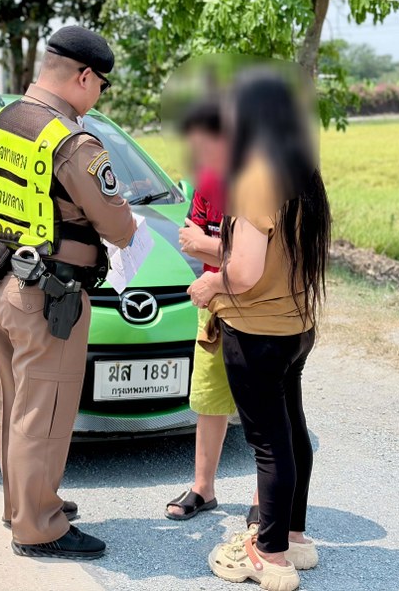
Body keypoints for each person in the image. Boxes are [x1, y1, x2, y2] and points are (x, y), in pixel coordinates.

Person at [0, 25, 136, 560]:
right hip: (47, 297)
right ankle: (39, 527)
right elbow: (117, 226)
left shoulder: (4, 120)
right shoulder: (70, 141)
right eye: (101, 85)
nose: (99, 96)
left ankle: (21, 506)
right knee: (43, 414)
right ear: (84, 76)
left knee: (12, 408)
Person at [188, 70, 330, 591]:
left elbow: (245, 272)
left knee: (269, 443)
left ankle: (268, 554)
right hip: (295, 327)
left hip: (256, 332)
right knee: (290, 431)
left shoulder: (253, 179)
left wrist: (210, 285)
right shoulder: (300, 170)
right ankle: (293, 536)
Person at [166, 99, 237, 521]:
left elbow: (258, 256)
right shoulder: (206, 182)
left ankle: (264, 500)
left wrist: (208, 245)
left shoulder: (255, 183)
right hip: (213, 305)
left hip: (255, 306)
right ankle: (203, 488)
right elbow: (187, 239)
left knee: (262, 406)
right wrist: (216, 248)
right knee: (209, 397)